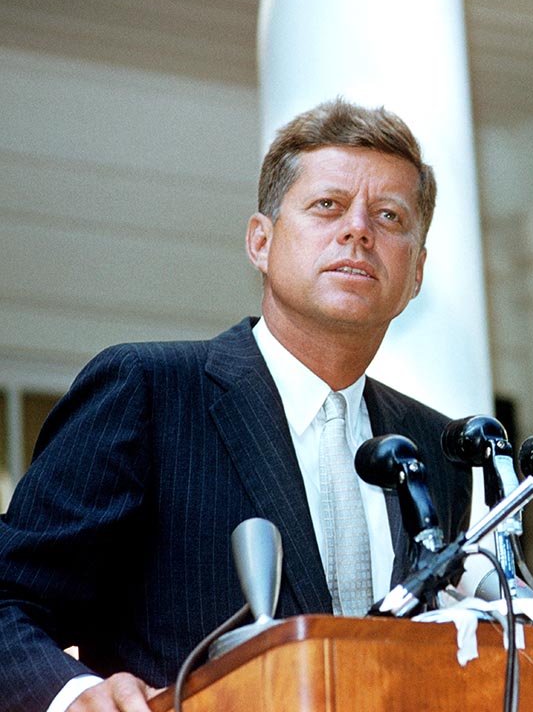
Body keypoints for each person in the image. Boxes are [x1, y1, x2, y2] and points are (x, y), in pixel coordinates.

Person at [0, 98, 472, 711]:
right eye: (327, 206)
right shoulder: (147, 390)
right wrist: (75, 696)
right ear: (261, 241)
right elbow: (11, 598)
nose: (358, 229)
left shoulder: (435, 448)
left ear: (416, 274)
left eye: (389, 216)